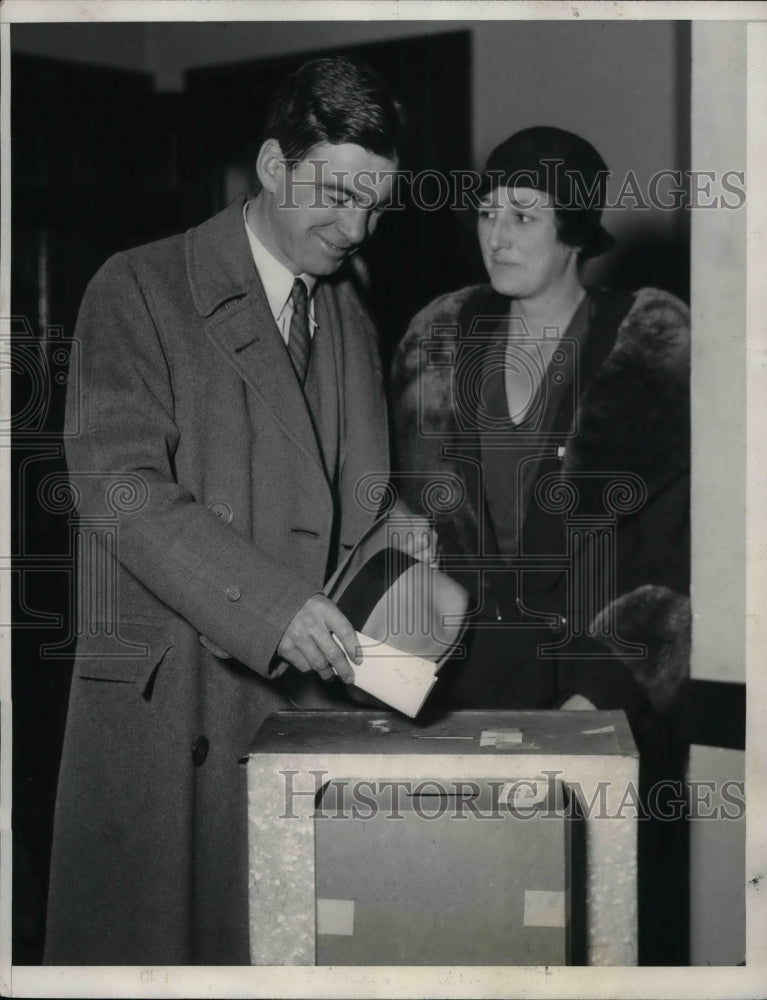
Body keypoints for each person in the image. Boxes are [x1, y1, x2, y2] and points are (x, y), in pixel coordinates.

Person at [45, 56, 415, 966]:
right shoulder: (138, 288)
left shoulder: (350, 315)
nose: (355, 227)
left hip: (299, 717)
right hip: (174, 721)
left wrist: (400, 538)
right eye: (335, 195)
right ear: (272, 166)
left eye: (376, 202)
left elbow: (350, 496)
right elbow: (118, 487)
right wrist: (271, 607)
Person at [392, 125, 690, 740]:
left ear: (574, 232)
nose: (496, 238)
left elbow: (671, 563)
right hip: (452, 701)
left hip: (595, 706)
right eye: (486, 214)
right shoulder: (438, 344)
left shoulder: (645, 354)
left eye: (522, 217)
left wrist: (595, 702)